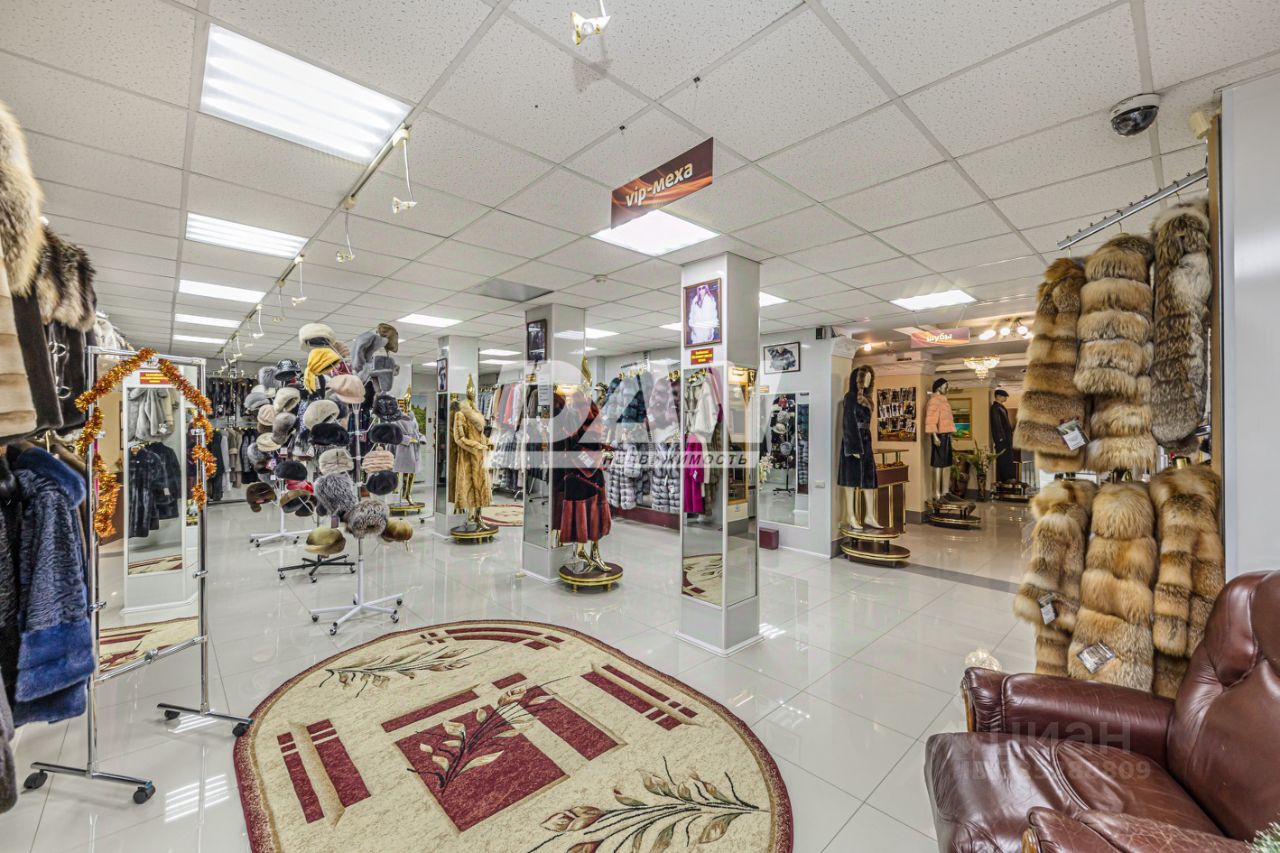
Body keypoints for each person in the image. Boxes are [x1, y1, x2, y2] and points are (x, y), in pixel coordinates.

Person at [990, 389, 1017, 483]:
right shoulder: (995, 408)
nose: (1006, 398)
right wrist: (1000, 438)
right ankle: (1005, 478)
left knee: (1008, 457)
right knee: (1003, 458)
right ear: (998, 396)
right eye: (1004, 396)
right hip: (1002, 439)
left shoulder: (1001, 407)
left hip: (1007, 438)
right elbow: (996, 423)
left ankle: (1010, 477)